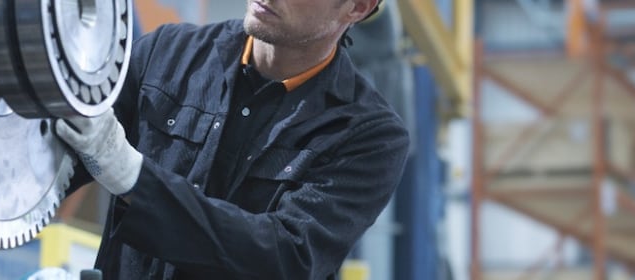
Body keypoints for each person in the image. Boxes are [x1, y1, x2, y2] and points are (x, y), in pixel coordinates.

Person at [55, 0, 410, 278]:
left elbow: (287, 258)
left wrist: (134, 178)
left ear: (358, 7)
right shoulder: (167, 54)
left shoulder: (368, 135)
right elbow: (58, 159)